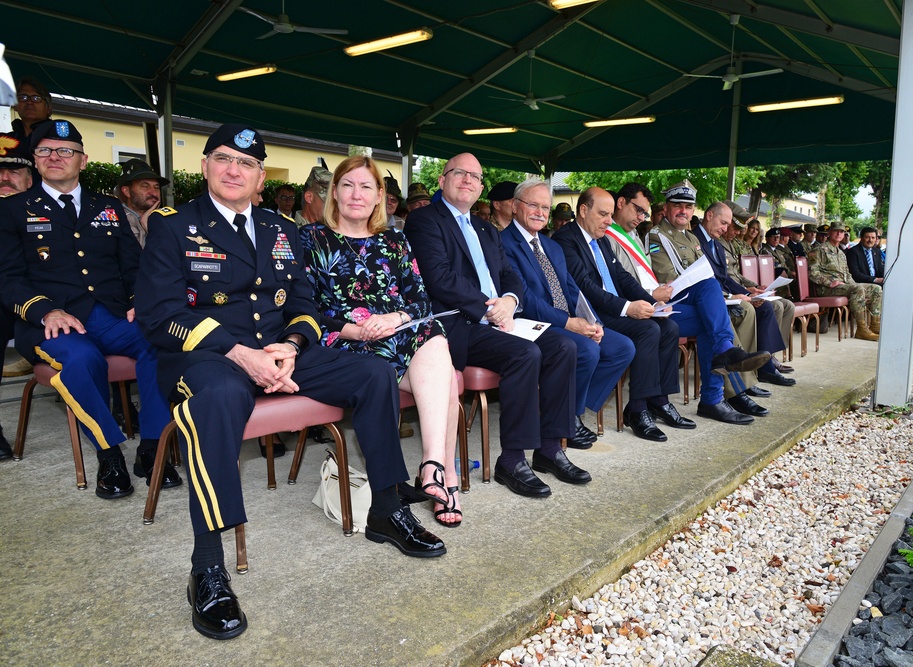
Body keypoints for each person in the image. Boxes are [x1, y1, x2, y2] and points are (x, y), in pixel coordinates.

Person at [136, 123, 446, 641]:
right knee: (215, 397)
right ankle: (207, 566)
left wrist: (293, 346)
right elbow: (157, 315)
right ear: (206, 165)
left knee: (372, 372)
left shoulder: (279, 229)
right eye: (224, 159)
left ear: (260, 176)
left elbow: (304, 304)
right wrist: (241, 353)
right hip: (212, 356)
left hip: (282, 353)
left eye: (247, 164)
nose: (234, 170)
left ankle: (387, 511)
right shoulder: (173, 225)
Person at [0, 119, 174, 494]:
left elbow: (133, 267)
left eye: (66, 151)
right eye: (45, 150)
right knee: (83, 361)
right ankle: (109, 454)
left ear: (83, 159)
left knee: (160, 341)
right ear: (35, 159)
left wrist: (138, 302)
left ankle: (152, 448)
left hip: (111, 315)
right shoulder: (13, 210)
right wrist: (45, 310)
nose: (55, 157)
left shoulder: (107, 207)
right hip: (50, 321)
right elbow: (8, 278)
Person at [406, 152, 589, 497]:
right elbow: (439, 279)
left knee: (564, 346)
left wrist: (509, 301)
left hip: (501, 318)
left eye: (475, 177)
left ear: (480, 189)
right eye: (459, 173)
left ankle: (550, 449)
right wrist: (487, 309)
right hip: (458, 325)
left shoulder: (487, 229)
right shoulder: (425, 221)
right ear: (442, 180)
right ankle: (513, 459)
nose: (467, 180)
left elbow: (509, 276)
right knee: (526, 354)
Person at [300, 155, 463, 526]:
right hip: (345, 344)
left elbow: (421, 300)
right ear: (335, 194)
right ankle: (445, 480)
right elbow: (303, 306)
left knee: (435, 339)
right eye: (348, 185)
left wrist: (395, 317)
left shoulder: (395, 239)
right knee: (446, 380)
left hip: (398, 335)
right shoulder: (311, 238)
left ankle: (432, 468)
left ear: (379, 197)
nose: (357, 194)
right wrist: (352, 328)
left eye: (366, 187)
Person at [555, 186, 768, 435]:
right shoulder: (566, 239)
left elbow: (622, 277)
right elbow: (586, 287)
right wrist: (629, 307)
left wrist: (652, 304)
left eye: (610, 215)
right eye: (604, 214)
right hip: (596, 312)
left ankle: (664, 399)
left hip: (623, 304)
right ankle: (638, 408)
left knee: (670, 325)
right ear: (583, 210)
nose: (609, 221)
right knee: (649, 330)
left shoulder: (600, 238)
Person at [501, 178, 634, 449]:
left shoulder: (551, 245)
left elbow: (572, 290)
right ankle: (566, 419)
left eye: (545, 208)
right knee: (587, 350)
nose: (540, 212)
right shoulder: (503, 243)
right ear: (515, 206)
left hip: (568, 320)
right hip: (533, 323)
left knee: (622, 347)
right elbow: (525, 298)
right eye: (533, 205)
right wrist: (569, 323)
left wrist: (591, 321)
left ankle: (569, 409)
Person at [646, 182, 772, 420]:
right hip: (667, 308)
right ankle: (717, 395)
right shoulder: (656, 236)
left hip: (690, 306)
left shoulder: (692, 237)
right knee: (712, 307)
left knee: (711, 324)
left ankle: (713, 398)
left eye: (688, 206)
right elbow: (667, 281)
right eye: (678, 206)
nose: (683, 211)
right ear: (667, 208)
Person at [696, 203, 795, 387]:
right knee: (753, 308)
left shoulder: (715, 244)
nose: (726, 229)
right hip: (711, 301)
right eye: (724, 223)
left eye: (728, 225)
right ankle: (744, 380)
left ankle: (764, 365)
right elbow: (705, 281)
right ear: (709, 215)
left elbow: (726, 278)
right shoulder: (695, 240)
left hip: (724, 295)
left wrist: (748, 292)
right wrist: (734, 296)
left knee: (766, 306)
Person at [0, 131, 36, 457]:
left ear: (28, 179)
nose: (4, 178)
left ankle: (117, 405)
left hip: (44, 305)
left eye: (13, 171)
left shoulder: (49, 212)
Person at [807, 221, 881, 341]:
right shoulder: (819, 249)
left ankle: (875, 325)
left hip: (843, 287)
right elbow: (812, 272)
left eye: (842, 232)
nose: (839, 234)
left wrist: (854, 284)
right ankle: (862, 329)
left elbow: (847, 274)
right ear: (829, 232)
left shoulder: (840, 253)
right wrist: (829, 283)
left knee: (876, 289)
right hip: (826, 289)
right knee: (857, 289)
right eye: (836, 231)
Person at [117, 158, 169, 247]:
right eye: (145, 186)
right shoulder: (117, 221)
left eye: (156, 187)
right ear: (127, 191)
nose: (153, 192)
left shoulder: (167, 219)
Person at [11, 77, 51, 141]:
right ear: (15, 106)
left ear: (48, 108)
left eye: (36, 98)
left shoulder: (59, 139)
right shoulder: (6, 141)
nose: (29, 102)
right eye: (23, 97)